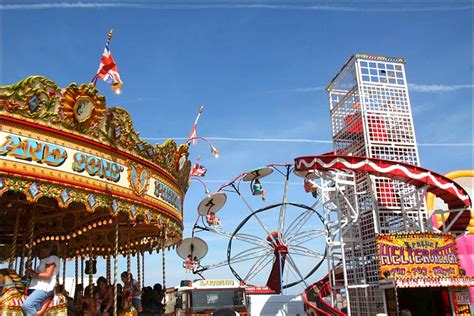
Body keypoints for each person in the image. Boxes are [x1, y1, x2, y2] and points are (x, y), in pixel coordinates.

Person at [22, 242, 60, 316]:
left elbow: (47, 274)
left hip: (45, 288)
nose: (40, 251)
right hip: (37, 287)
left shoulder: (52, 258)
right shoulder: (44, 261)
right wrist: (30, 271)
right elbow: (37, 275)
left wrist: (33, 274)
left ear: (50, 250)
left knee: (27, 305)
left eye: (42, 249)